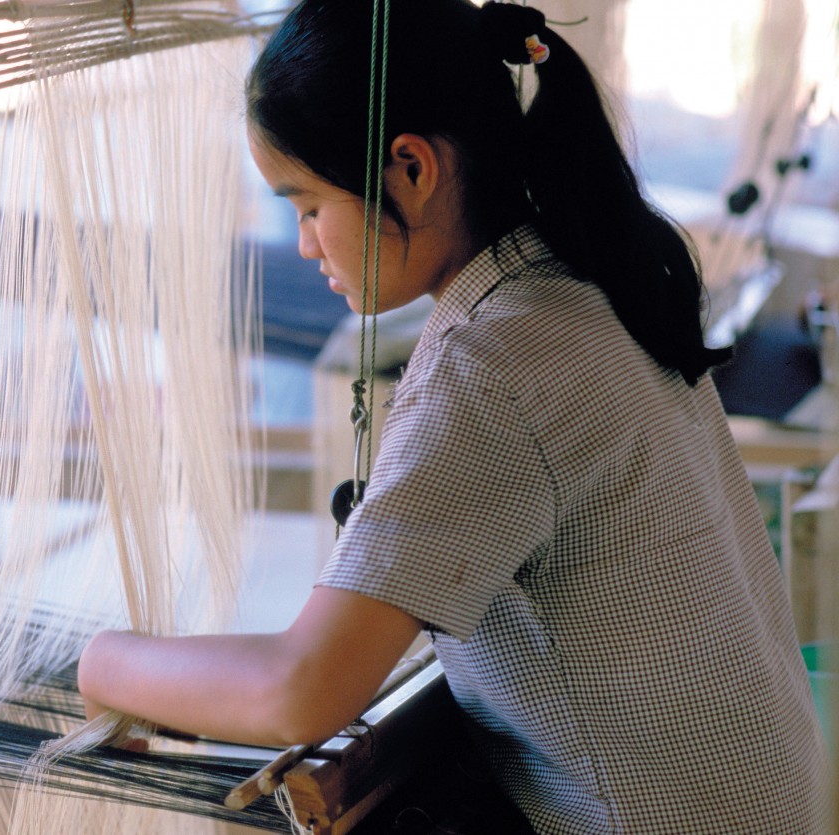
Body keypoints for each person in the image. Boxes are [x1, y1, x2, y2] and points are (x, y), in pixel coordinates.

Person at [78, 0, 831, 830]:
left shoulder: (491, 365)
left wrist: (99, 660)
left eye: (308, 205)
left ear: (411, 167)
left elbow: (300, 688)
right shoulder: (581, 281)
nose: (304, 244)